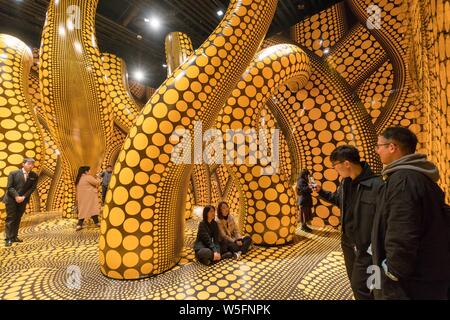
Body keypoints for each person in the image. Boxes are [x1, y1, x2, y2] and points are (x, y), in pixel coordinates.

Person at [372, 127, 450, 299]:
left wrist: (392, 272)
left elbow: (402, 232)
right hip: (428, 273)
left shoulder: (403, 180)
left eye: (379, 146)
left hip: (410, 283)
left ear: (392, 147)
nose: (377, 151)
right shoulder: (418, 176)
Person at [311, 145, 383, 300]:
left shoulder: (377, 185)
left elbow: (385, 220)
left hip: (368, 248)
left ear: (346, 163)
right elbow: (339, 201)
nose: (335, 169)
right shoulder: (346, 183)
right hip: (348, 243)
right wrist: (320, 191)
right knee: (355, 283)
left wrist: (376, 247)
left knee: (370, 286)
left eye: (335, 165)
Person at [2, 158, 38, 247]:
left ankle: (14, 237)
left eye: (32, 164)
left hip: (23, 199)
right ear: (23, 164)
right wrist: (16, 196)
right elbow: (10, 187)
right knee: (11, 218)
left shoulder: (34, 175)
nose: (31, 166)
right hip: (11, 199)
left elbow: (32, 188)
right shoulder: (13, 173)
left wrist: (24, 197)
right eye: (29, 164)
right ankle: (8, 238)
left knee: (18, 218)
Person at [75, 166, 101, 231]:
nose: (90, 171)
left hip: (83, 198)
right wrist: (98, 177)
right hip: (90, 197)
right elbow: (97, 183)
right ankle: (96, 222)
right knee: (93, 208)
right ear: (86, 171)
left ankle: (79, 225)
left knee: (83, 210)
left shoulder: (79, 178)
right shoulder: (88, 177)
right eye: (89, 170)